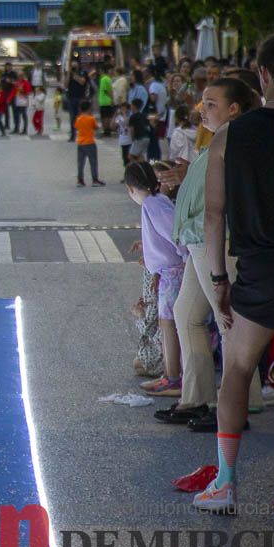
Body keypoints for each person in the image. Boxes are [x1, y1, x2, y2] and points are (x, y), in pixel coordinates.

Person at [194, 32, 274, 521]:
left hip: (258, 268)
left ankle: (225, 481)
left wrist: (219, 280)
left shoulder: (230, 136)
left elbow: (213, 215)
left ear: (261, 75)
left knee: (239, 369)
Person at [158, 78, 262, 432]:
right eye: (203, 102)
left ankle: (239, 405)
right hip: (197, 239)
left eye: (211, 102)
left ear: (234, 108)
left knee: (226, 320)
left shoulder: (236, 137)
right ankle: (197, 397)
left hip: (216, 240)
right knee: (187, 313)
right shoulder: (219, 137)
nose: (203, 108)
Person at [124, 162, 185, 399]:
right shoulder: (156, 202)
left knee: (168, 324)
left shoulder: (153, 205)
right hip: (167, 271)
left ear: (130, 188)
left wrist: (185, 260)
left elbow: (175, 235)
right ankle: (171, 376)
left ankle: (172, 377)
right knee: (167, 322)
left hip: (173, 270)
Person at [74, 99, 104, 187]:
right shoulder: (91, 118)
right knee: (93, 162)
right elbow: (96, 127)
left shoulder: (78, 119)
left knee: (80, 163)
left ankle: (80, 180)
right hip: (90, 142)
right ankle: (95, 180)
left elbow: (76, 127)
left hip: (80, 143)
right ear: (89, 109)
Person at [128, 98, 151, 162]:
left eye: (131, 105)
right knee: (140, 155)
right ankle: (143, 168)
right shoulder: (144, 115)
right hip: (146, 137)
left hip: (139, 138)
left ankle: (137, 169)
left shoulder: (133, 117)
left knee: (130, 156)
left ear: (134, 106)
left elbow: (131, 129)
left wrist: (132, 139)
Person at [98, 66, 115, 137]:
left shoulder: (102, 79)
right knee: (107, 117)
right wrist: (112, 99)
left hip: (102, 100)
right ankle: (107, 131)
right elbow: (108, 90)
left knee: (103, 116)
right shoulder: (107, 79)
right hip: (107, 101)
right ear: (109, 71)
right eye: (112, 70)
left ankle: (105, 130)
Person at [115, 102, 133, 167]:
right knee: (124, 158)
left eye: (124, 109)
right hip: (122, 141)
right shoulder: (119, 117)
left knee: (130, 157)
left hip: (129, 140)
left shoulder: (130, 116)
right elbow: (112, 126)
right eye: (121, 109)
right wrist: (115, 115)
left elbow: (127, 123)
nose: (123, 110)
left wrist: (124, 114)